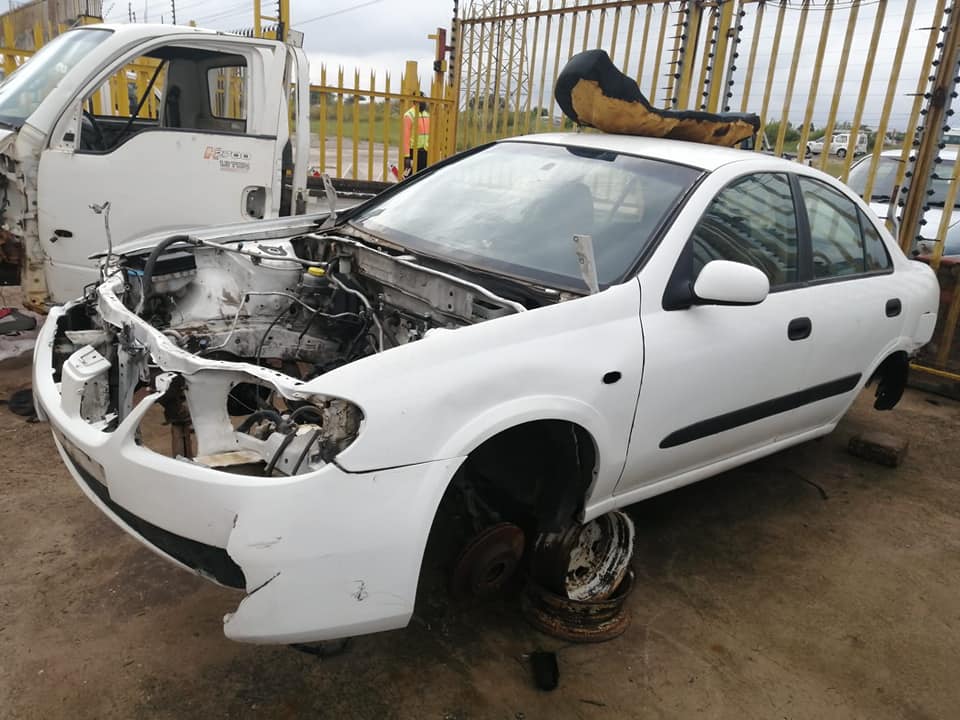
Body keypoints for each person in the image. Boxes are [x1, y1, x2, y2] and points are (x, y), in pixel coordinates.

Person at [402, 93, 430, 177]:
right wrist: (407, 156)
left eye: (424, 100)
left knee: (423, 178)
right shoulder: (409, 115)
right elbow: (406, 137)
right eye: (422, 100)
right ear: (415, 101)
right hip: (413, 152)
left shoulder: (427, 114)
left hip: (425, 151)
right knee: (409, 178)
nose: (424, 102)